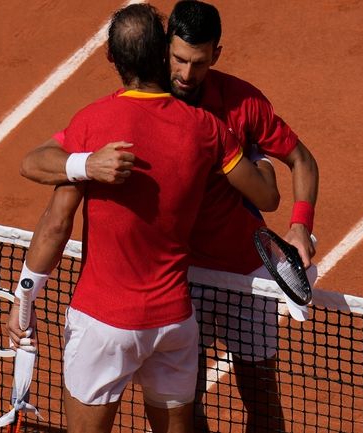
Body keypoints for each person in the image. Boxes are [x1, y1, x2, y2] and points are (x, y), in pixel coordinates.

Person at [19, 2, 319, 432]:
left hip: (243, 274)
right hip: (183, 280)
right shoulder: (144, 117)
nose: (186, 73)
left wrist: (301, 225)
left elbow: (299, 162)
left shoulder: (241, 105)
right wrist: (87, 164)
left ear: (215, 55)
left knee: (259, 392)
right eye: (178, 59)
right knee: (187, 403)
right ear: (163, 52)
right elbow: (41, 159)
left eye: (198, 63)